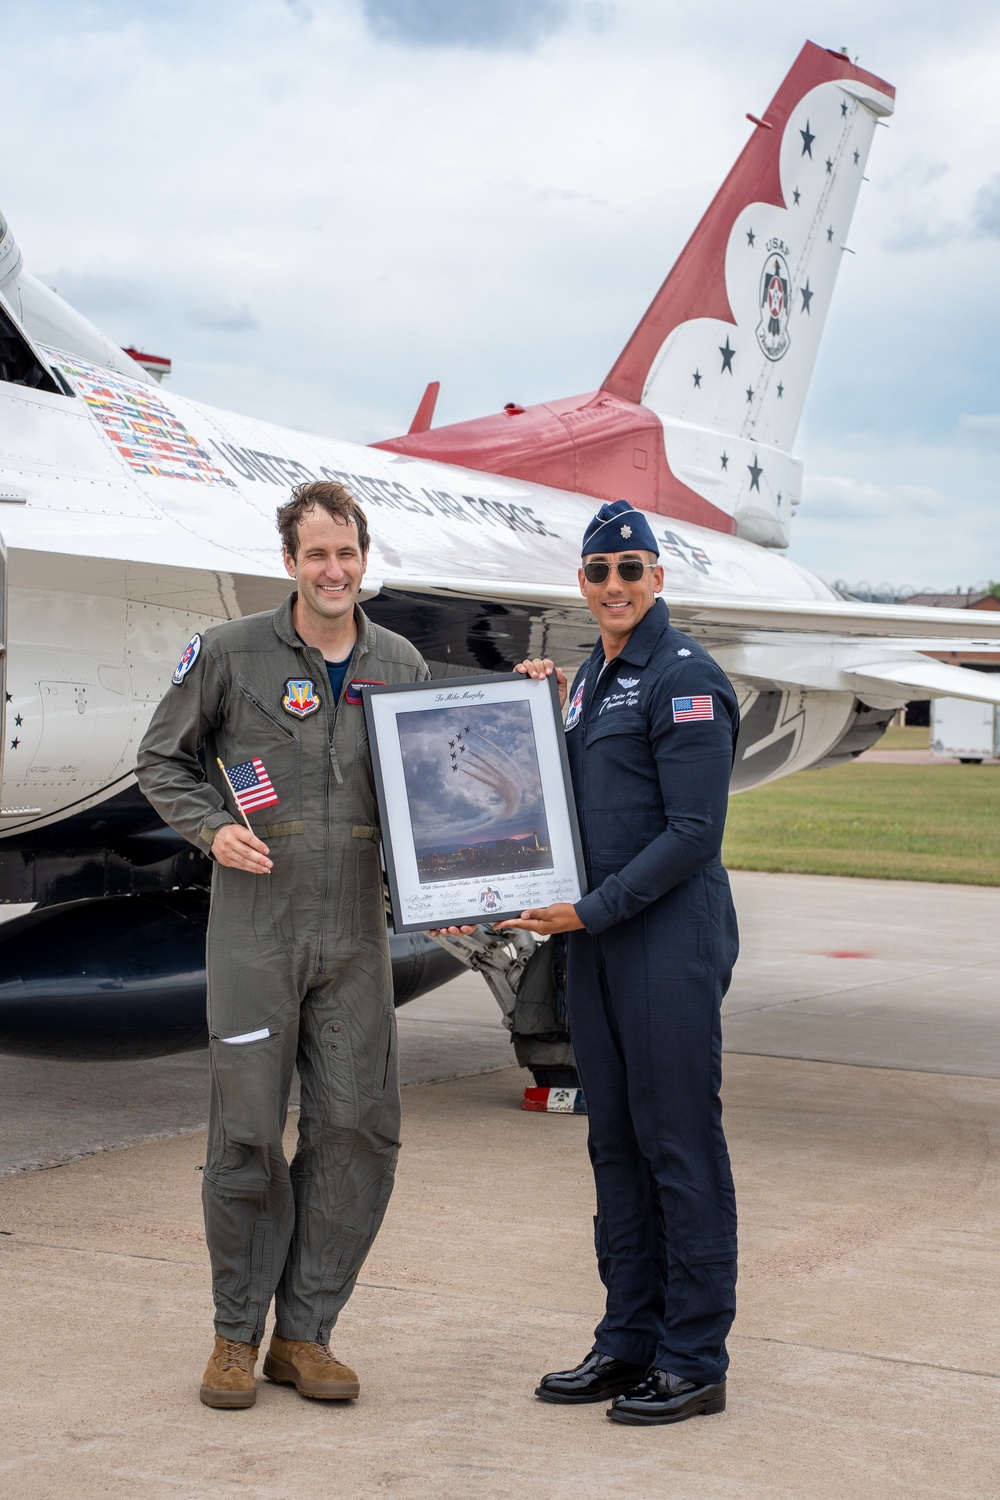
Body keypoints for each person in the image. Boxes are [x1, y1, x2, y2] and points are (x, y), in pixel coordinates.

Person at [136, 480, 429, 1409]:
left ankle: (305, 1334)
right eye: (316, 555)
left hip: (355, 925)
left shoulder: (401, 662)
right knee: (250, 1134)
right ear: (290, 562)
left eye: (346, 554)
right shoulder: (228, 654)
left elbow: (435, 788)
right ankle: (234, 1335)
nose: (333, 570)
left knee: (356, 1125)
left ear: (364, 558)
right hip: (256, 921)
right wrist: (211, 828)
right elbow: (161, 758)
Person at [498, 498, 740, 1426]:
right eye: (598, 572)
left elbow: (693, 832)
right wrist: (534, 711)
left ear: (658, 578)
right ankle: (627, 1339)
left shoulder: (685, 677)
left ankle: (693, 1357)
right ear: (583, 583)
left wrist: (588, 912)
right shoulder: (592, 681)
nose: (613, 587)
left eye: (629, 570)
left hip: (662, 942)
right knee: (615, 1145)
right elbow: (563, 804)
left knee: (678, 1143)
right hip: (594, 942)